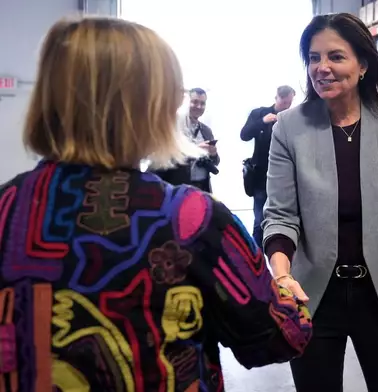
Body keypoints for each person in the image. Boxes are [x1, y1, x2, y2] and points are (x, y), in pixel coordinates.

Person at [5, 16, 312, 391]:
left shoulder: (7, 209)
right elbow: (275, 338)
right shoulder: (192, 219)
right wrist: (286, 288)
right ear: (149, 105)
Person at [262, 13, 378, 392]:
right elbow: (280, 215)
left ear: (363, 65)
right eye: (313, 57)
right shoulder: (289, 128)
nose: (322, 68)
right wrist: (281, 273)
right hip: (313, 298)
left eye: (335, 56)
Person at [240, 85, 296, 247]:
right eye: (284, 102)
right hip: (261, 177)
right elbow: (244, 135)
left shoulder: (292, 117)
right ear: (276, 98)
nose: (286, 106)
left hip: (285, 178)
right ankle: (256, 261)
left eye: (289, 103)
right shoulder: (260, 113)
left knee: (284, 220)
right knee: (259, 221)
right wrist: (263, 121)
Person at [152, 88, 220, 192]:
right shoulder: (171, 128)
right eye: (195, 102)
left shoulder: (206, 131)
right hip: (177, 188)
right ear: (186, 102)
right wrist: (194, 150)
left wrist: (213, 154)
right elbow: (162, 158)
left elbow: (216, 162)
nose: (199, 106)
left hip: (202, 188)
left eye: (202, 103)